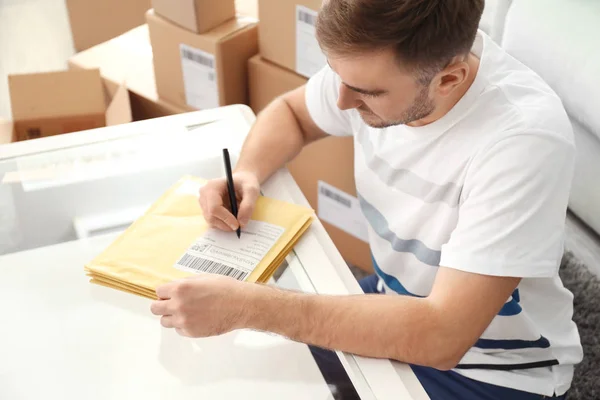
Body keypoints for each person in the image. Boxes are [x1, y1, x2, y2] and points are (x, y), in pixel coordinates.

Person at [150, 0, 583, 398]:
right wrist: (248, 172)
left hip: (491, 368)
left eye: (367, 93)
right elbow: (293, 113)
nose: (341, 100)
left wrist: (252, 307)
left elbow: (443, 337)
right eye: (337, 77)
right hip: (392, 301)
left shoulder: (524, 142)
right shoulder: (373, 68)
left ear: (449, 79)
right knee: (220, 366)